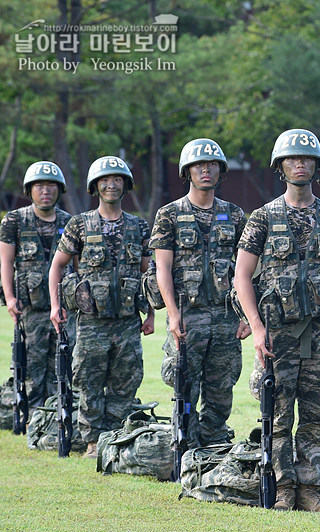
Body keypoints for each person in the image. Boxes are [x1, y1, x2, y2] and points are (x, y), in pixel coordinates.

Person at [235, 128, 320, 512]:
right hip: (277, 334)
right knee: (277, 416)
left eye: (306, 158)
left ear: (316, 165)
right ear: (281, 167)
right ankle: (282, 487)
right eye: (292, 158)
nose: (300, 164)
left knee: (316, 415)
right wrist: (257, 328)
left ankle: (310, 488)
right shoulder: (263, 217)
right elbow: (242, 276)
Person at [49, 155, 155, 459]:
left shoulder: (137, 226)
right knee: (89, 381)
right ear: (95, 186)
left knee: (125, 381)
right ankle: (94, 441)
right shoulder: (79, 224)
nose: (111, 185)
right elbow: (57, 267)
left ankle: (116, 438)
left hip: (127, 321)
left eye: (117, 179)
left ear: (125, 185)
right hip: (91, 321)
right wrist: (56, 306)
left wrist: (150, 313)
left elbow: (149, 273)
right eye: (105, 180)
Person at [149, 138, 248, 449]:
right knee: (184, 388)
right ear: (187, 171)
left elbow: (246, 271)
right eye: (198, 165)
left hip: (225, 317)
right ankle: (185, 448)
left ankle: (214, 447)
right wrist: (173, 315)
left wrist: (246, 315)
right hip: (188, 316)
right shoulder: (169, 214)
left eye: (212, 164)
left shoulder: (235, 215)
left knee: (221, 388)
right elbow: (162, 269)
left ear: (221, 171)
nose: (206, 170)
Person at [0, 161, 73, 412]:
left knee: (61, 366)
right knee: (31, 366)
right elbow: (6, 262)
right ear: (29, 190)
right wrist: (9, 298)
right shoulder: (14, 221)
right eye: (39, 186)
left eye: (51, 185)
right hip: (28, 308)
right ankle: (30, 416)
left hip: (63, 309)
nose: (45, 191)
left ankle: (53, 416)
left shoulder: (70, 222)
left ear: (59, 189)